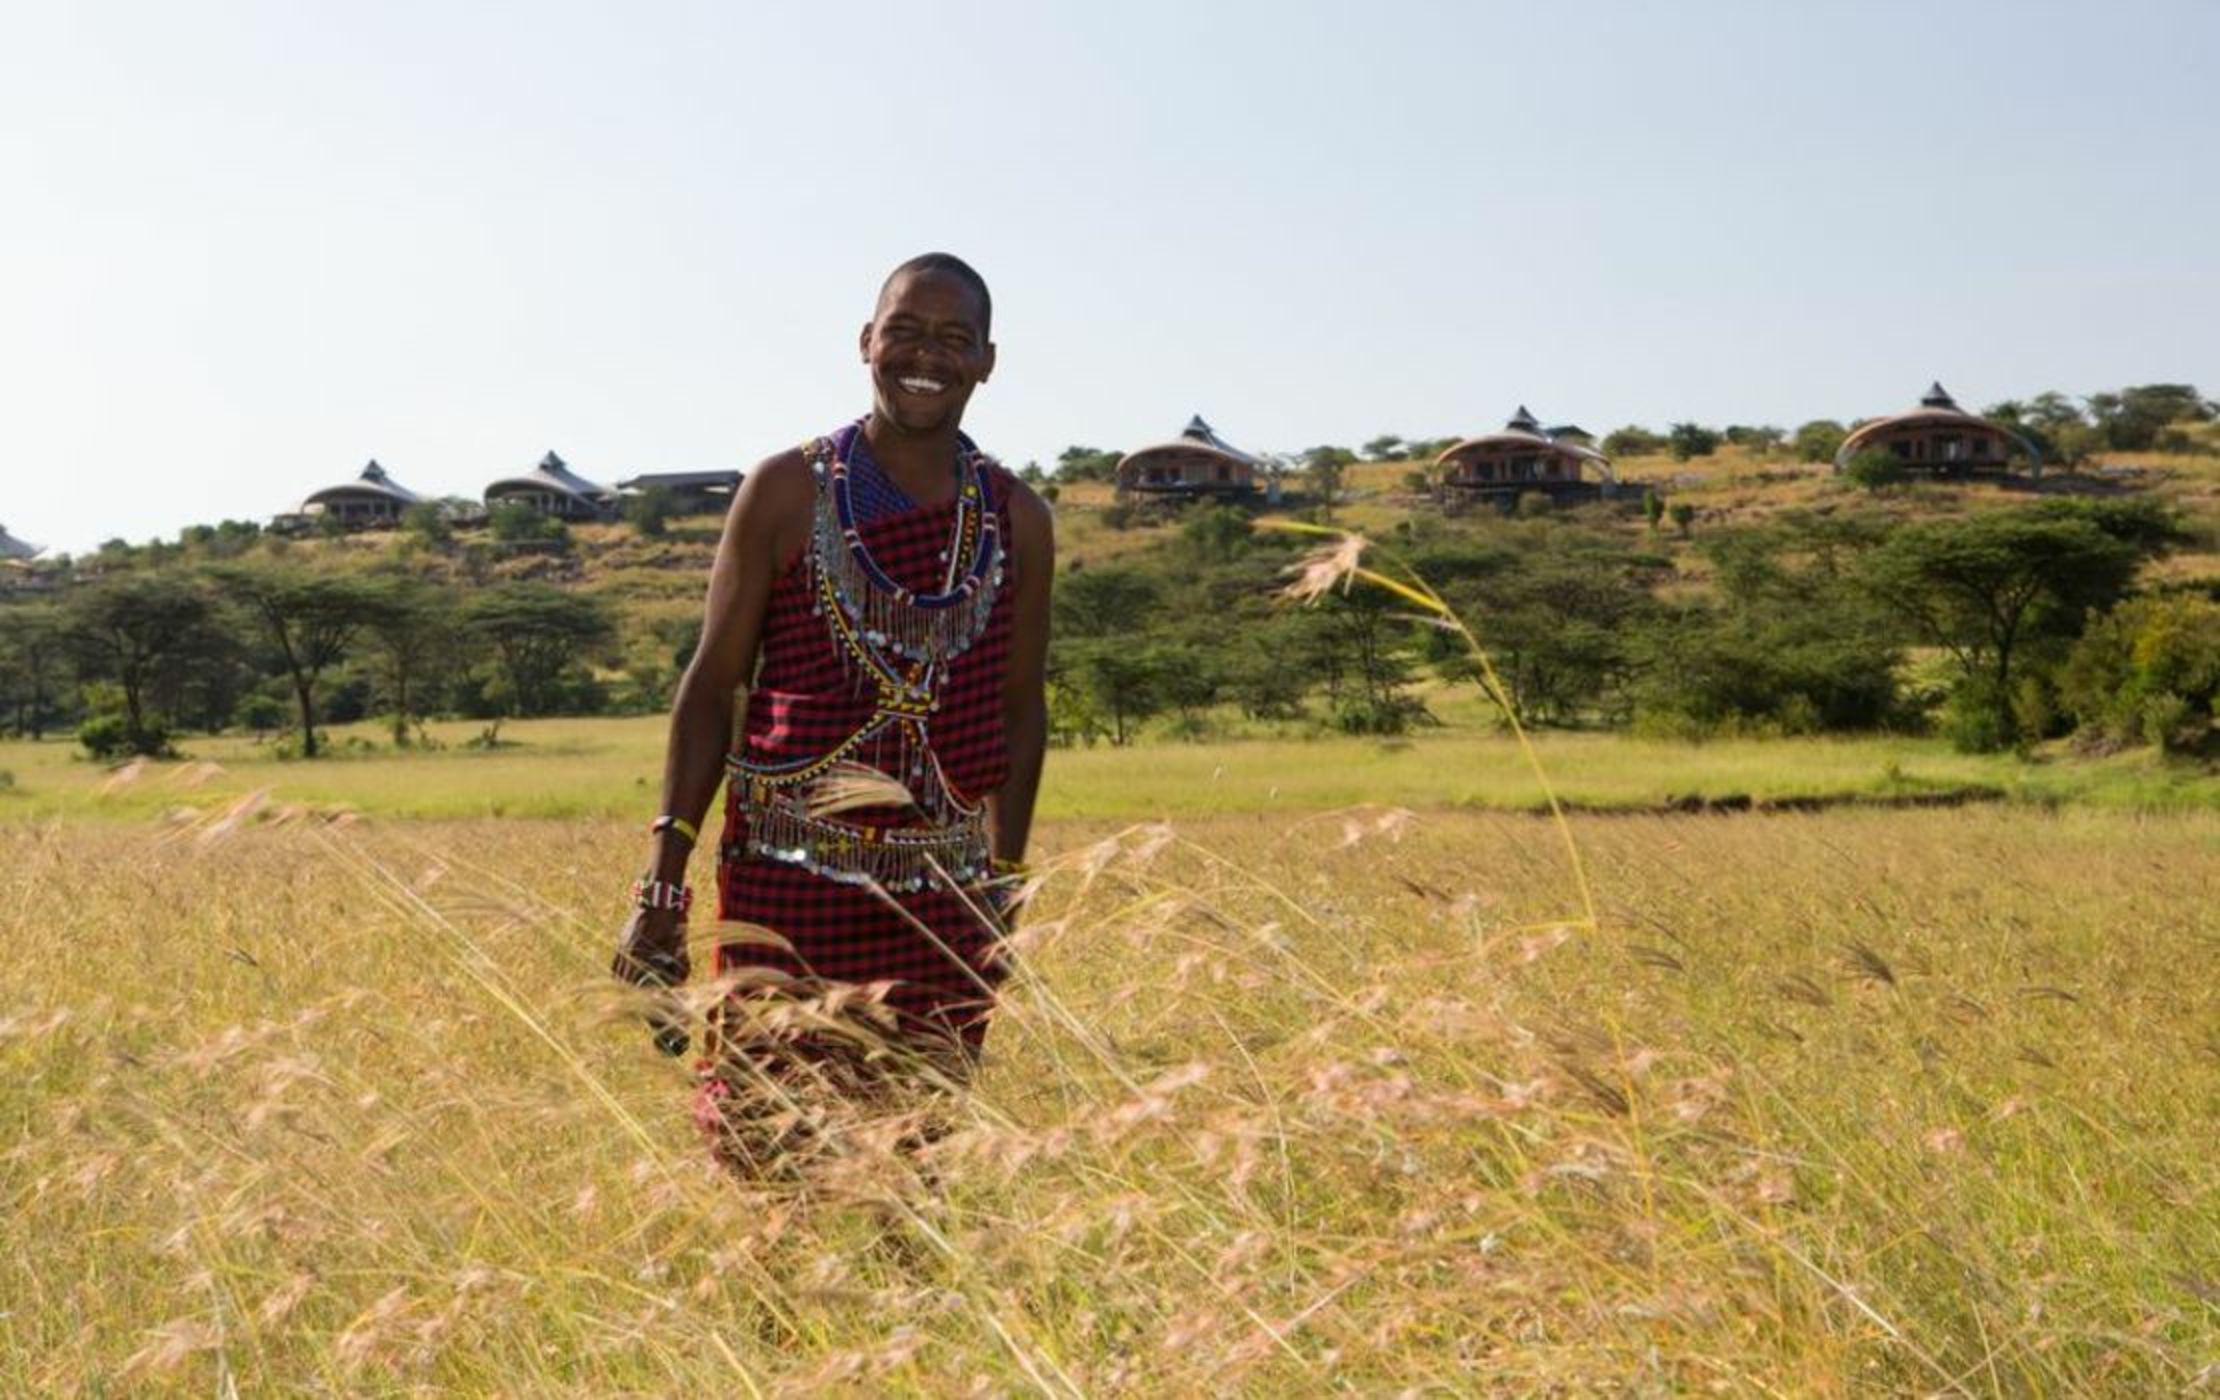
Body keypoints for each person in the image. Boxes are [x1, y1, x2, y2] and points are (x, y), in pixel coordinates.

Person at [612, 253, 1053, 1177]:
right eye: (905, 331)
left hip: (943, 900)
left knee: (918, 1164)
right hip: (784, 884)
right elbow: (712, 688)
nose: (925, 356)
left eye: (953, 339)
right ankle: (773, 1326)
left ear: (988, 361)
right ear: (867, 342)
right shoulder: (785, 491)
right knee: (768, 1150)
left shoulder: (1017, 518)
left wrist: (1004, 886)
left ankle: (909, 1320)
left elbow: (1019, 709)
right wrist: (663, 884)